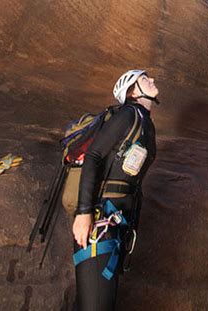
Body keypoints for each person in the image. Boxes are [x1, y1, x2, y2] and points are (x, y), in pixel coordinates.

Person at [72, 69, 158, 311]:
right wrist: (83, 212)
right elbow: (94, 156)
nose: (152, 80)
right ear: (132, 91)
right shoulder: (128, 115)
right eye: (144, 79)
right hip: (99, 226)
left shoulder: (145, 123)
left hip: (117, 227)